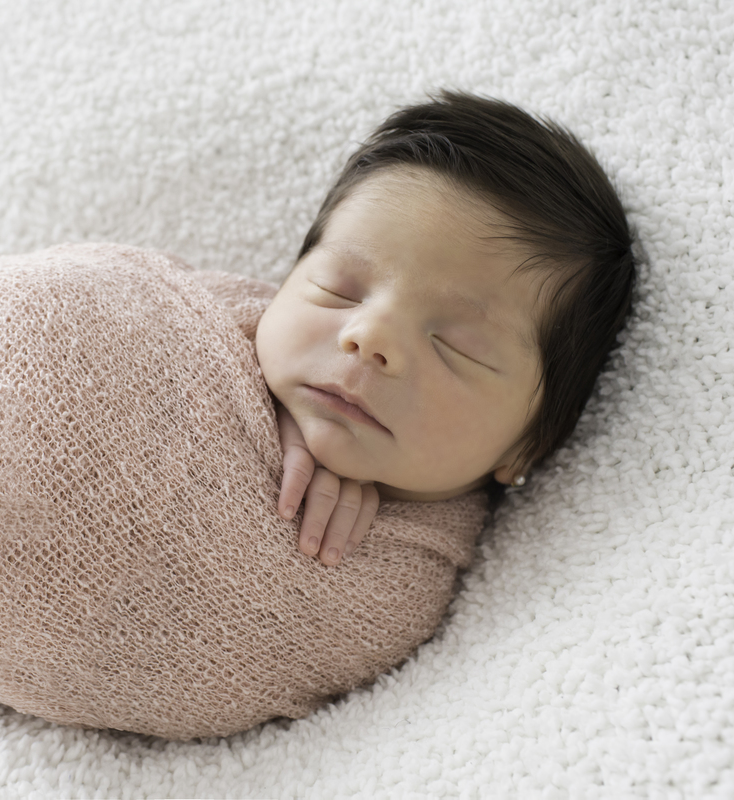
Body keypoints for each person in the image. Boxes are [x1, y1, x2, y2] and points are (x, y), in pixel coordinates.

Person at [258, 90, 635, 567]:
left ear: (529, 447)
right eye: (339, 289)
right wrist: (259, 418)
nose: (370, 335)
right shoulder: (208, 322)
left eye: (456, 347)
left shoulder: (410, 575)